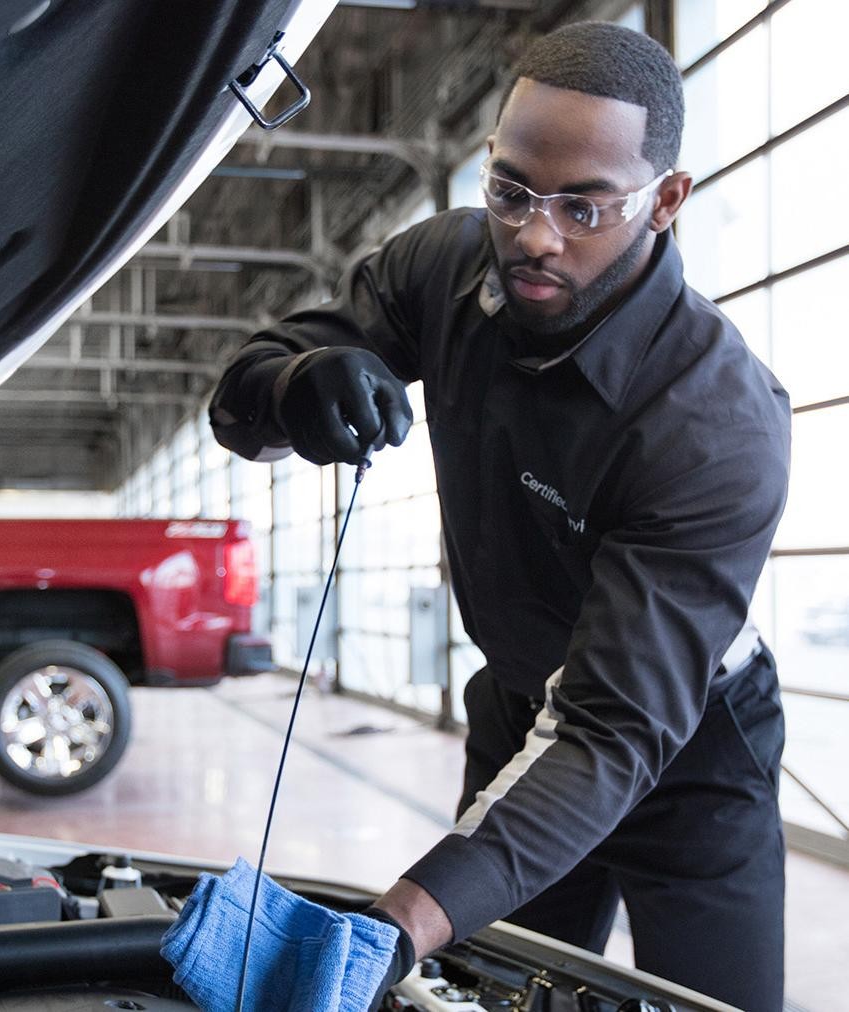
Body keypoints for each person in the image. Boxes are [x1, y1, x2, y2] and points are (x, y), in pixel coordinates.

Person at [207, 20, 790, 1011]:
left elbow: (608, 732)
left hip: (684, 745)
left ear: (665, 201)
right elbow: (240, 404)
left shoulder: (713, 421)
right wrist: (293, 386)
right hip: (521, 701)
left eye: (582, 205)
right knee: (507, 988)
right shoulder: (441, 264)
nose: (533, 234)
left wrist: (393, 927)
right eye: (510, 189)